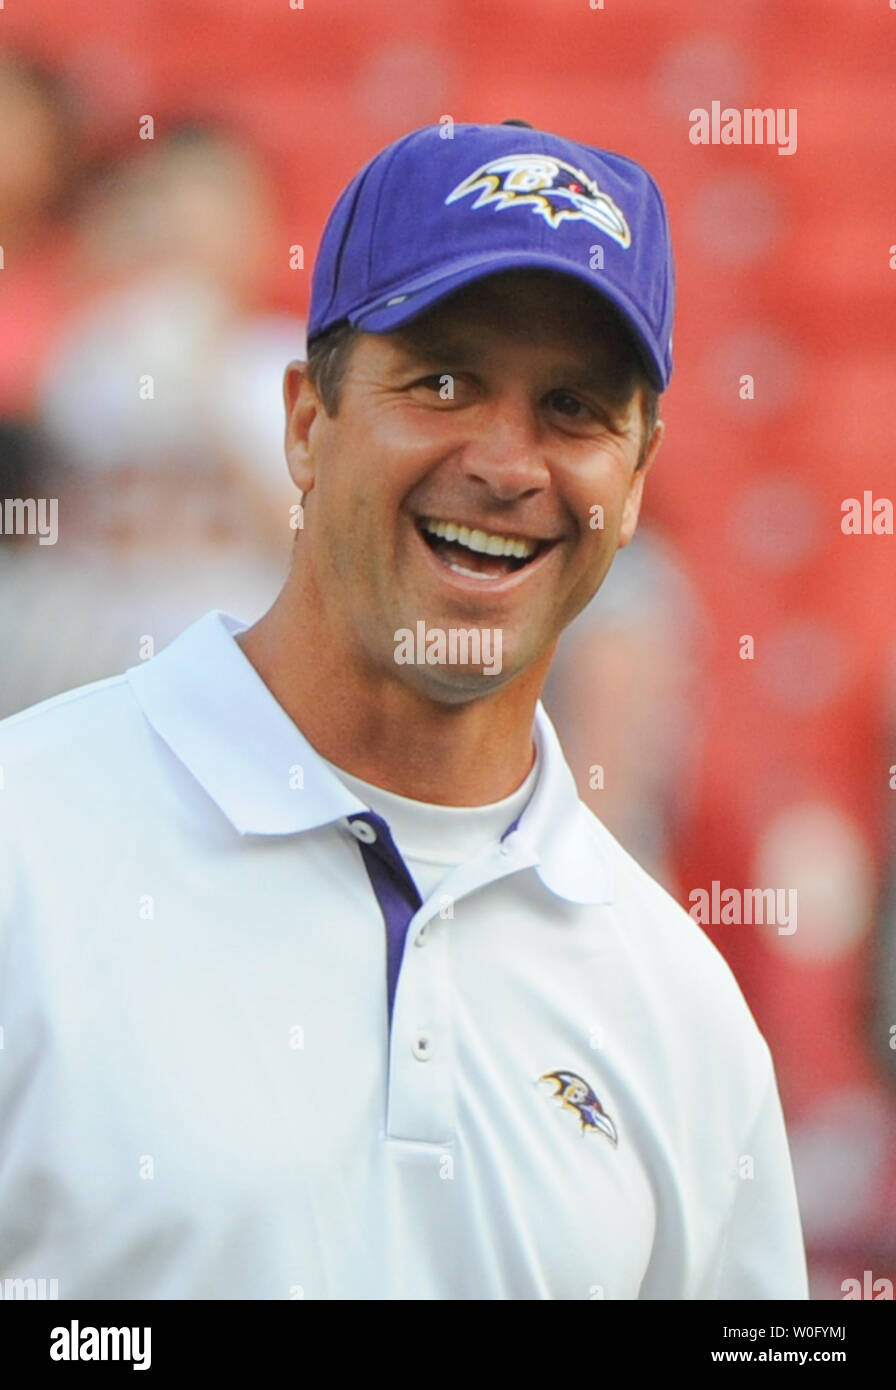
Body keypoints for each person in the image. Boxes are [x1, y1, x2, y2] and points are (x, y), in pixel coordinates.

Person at [0, 120, 808, 1300]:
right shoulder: (26, 841)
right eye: (442, 381)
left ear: (634, 486)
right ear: (302, 423)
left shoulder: (675, 1003)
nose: (505, 461)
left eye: (575, 407)